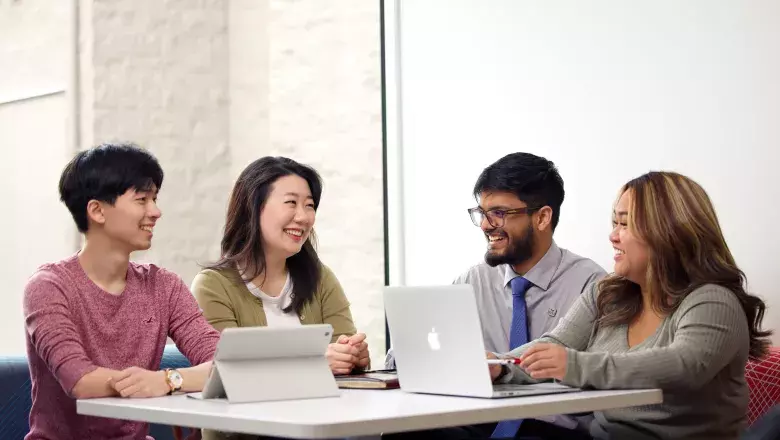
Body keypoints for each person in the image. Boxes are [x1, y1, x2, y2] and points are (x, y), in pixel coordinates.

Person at [491, 171, 773, 440]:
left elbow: (683, 366)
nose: (613, 236)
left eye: (625, 224)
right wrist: (501, 365)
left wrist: (574, 365)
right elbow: (555, 345)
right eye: (614, 223)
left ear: (668, 231)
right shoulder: (606, 293)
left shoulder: (713, 300)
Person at [385, 152, 605, 439]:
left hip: (552, 428)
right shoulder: (473, 281)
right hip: (481, 421)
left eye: (499, 213)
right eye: (482, 213)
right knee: (404, 434)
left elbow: (602, 376)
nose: (486, 225)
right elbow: (402, 361)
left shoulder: (591, 284)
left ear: (542, 217)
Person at [23, 143, 221, 440]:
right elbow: (80, 380)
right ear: (97, 210)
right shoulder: (48, 287)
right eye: (142, 200)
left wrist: (168, 380)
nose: (156, 211)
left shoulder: (163, 286)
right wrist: (164, 382)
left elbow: (225, 363)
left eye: (154, 199)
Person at [192, 156, 369, 440]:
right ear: (254, 207)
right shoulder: (213, 285)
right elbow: (226, 377)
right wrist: (315, 364)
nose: (303, 216)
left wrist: (353, 356)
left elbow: (344, 362)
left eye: (309, 205)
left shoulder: (321, 278)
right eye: (291, 203)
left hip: (321, 429)